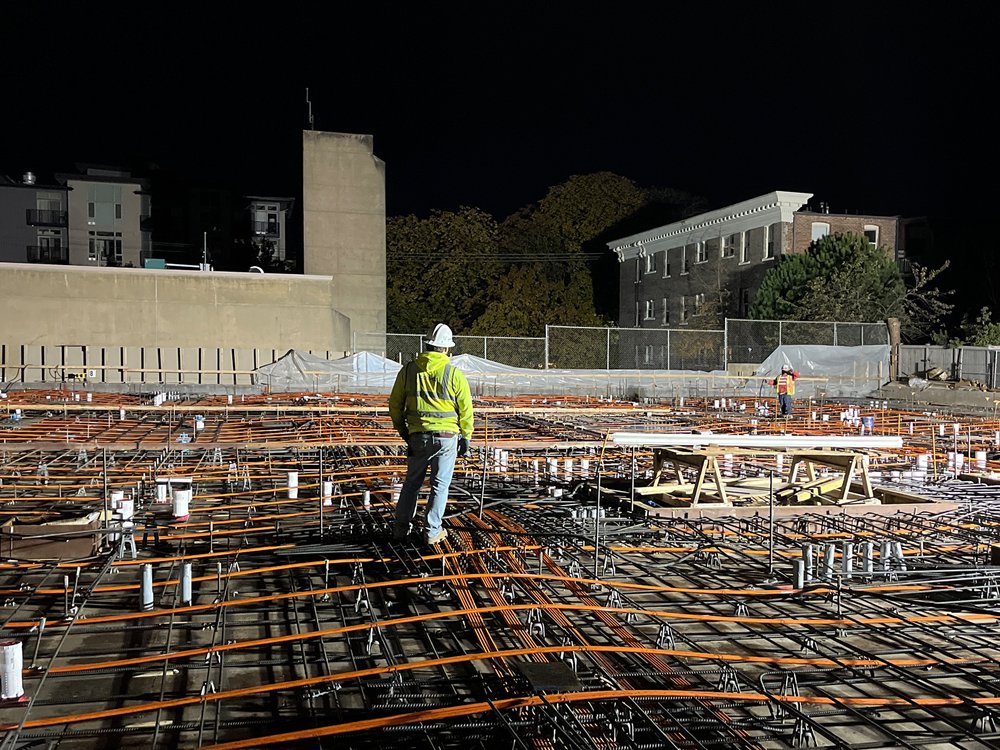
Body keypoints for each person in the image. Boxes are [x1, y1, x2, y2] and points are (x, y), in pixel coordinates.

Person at [388, 323, 473, 545]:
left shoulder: (408, 370)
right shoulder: (453, 374)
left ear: (427, 345)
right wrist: (466, 436)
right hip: (446, 438)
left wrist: (403, 430)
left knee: (411, 484)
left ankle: (400, 529)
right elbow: (466, 408)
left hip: (418, 436)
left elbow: (395, 405)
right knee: (439, 485)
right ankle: (432, 531)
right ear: (446, 349)